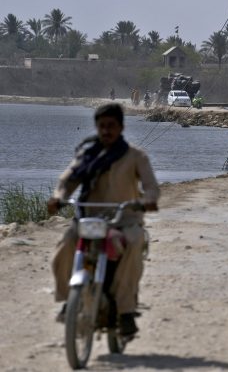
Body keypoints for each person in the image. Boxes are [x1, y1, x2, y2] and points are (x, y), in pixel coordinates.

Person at [48, 103, 159, 337]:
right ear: (96, 127)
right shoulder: (87, 155)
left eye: (111, 126)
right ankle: (70, 300)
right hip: (90, 218)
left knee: (134, 242)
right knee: (65, 247)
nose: (106, 131)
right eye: (102, 126)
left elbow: (150, 186)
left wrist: (148, 200)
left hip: (124, 219)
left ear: (121, 127)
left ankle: (126, 310)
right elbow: (67, 181)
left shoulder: (136, 156)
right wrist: (58, 198)